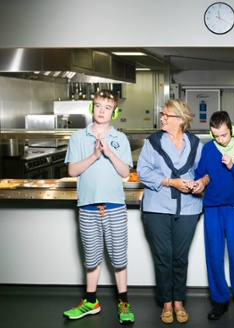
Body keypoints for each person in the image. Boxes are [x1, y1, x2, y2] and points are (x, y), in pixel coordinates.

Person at [62, 89, 135, 324]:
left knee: (119, 258)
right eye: (98, 106)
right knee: (91, 258)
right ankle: (91, 301)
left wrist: (110, 153)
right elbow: (72, 171)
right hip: (88, 207)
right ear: (92, 108)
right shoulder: (78, 137)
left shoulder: (120, 138)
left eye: (107, 107)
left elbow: (125, 173)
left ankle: (123, 302)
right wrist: (94, 155)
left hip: (114, 206)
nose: (102, 111)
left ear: (114, 111)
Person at [136, 99, 203, 324]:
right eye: (162, 114)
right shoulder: (153, 142)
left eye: (166, 115)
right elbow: (142, 171)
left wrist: (201, 182)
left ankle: (179, 302)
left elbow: (204, 171)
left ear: (181, 120)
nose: (162, 118)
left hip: (188, 208)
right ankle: (166, 303)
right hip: (157, 207)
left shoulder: (195, 143)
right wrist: (169, 181)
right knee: (163, 257)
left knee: (179, 257)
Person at [191, 111, 234, 322]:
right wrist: (200, 182)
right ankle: (220, 300)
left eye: (223, 135)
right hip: (212, 206)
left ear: (231, 129)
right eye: (216, 135)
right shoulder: (208, 148)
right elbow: (201, 174)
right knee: (214, 256)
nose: (220, 140)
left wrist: (232, 166)